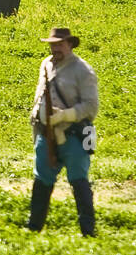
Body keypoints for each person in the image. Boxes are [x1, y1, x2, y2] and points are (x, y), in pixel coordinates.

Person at [26, 27, 99, 236]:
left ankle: (88, 232)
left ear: (70, 44)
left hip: (73, 135)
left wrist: (64, 115)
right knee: (42, 182)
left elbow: (91, 107)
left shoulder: (83, 71)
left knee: (79, 181)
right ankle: (33, 229)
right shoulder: (46, 64)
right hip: (45, 134)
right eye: (52, 44)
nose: (54, 48)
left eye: (59, 44)